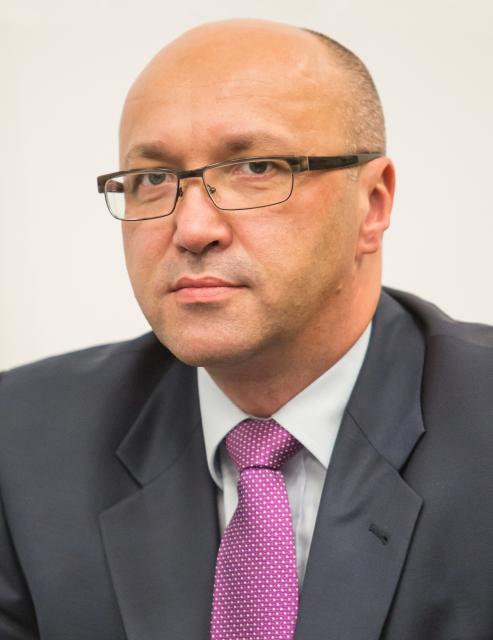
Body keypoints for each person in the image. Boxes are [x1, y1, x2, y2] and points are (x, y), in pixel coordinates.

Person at [1, 18, 492, 640]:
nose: (192, 229)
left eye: (256, 167)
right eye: (152, 180)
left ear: (372, 204)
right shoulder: (21, 440)